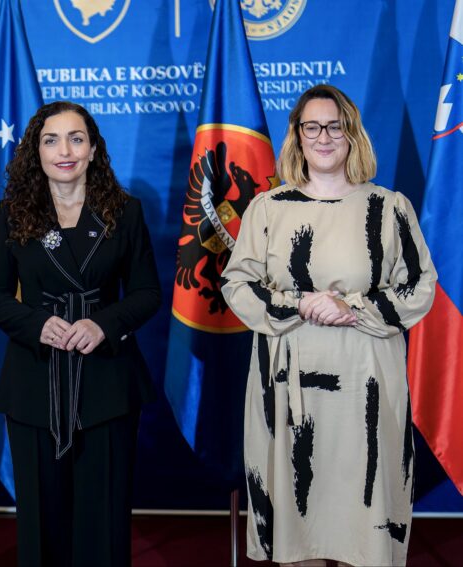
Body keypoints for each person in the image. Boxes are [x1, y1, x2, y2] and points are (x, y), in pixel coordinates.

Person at [220, 84, 436, 566]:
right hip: (288, 386)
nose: (323, 137)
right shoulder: (268, 208)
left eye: (334, 126)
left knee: (364, 516)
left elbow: (420, 286)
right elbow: (237, 285)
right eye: (312, 127)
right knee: (300, 520)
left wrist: (352, 307)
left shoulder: (389, 207)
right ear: (297, 136)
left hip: (367, 383)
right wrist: (301, 303)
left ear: (352, 133)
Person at [0, 101, 160, 567]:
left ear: (93, 149)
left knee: (104, 521)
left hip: (107, 383)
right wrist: (37, 324)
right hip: (34, 382)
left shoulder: (125, 212)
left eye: (76, 139)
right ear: (36, 152)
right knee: (43, 523)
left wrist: (104, 324)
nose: (65, 151)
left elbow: (147, 293)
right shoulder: (14, 214)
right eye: (51, 140)